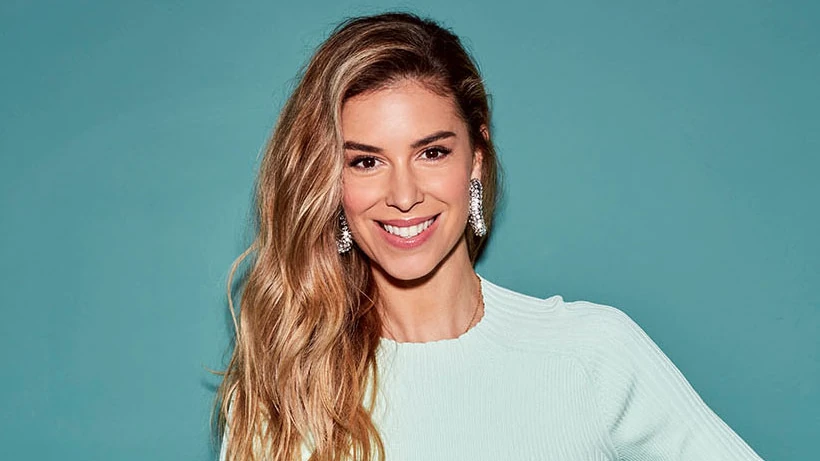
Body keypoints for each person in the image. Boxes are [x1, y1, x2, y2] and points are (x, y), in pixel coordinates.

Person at [216, 12, 764, 461]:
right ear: (327, 181)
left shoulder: (591, 355)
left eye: (432, 152)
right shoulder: (288, 391)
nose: (403, 195)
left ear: (475, 159)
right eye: (365, 161)